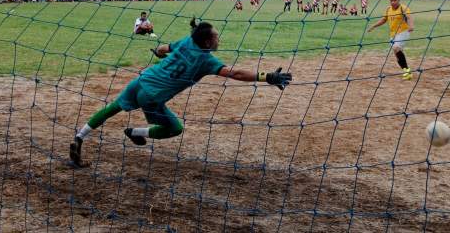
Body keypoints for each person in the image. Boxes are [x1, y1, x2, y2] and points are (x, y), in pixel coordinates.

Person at [69, 18, 292, 167]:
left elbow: (163, 48)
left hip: (141, 80)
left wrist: (157, 52)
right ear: (207, 41)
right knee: (175, 128)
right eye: (216, 36)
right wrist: (267, 77)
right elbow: (236, 74)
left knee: (112, 108)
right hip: (153, 96)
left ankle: (80, 137)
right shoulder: (206, 60)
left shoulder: (186, 42)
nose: (218, 39)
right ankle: (136, 132)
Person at [368, 0, 415, 80]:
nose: (393, 2)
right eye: (391, 1)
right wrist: (373, 26)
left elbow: (409, 17)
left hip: (403, 31)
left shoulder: (403, 8)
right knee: (397, 53)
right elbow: (384, 20)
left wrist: (411, 26)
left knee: (396, 48)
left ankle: (408, 71)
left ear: (399, 0)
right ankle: (406, 71)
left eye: (394, 0)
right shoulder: (388, 9)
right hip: (393, 34)